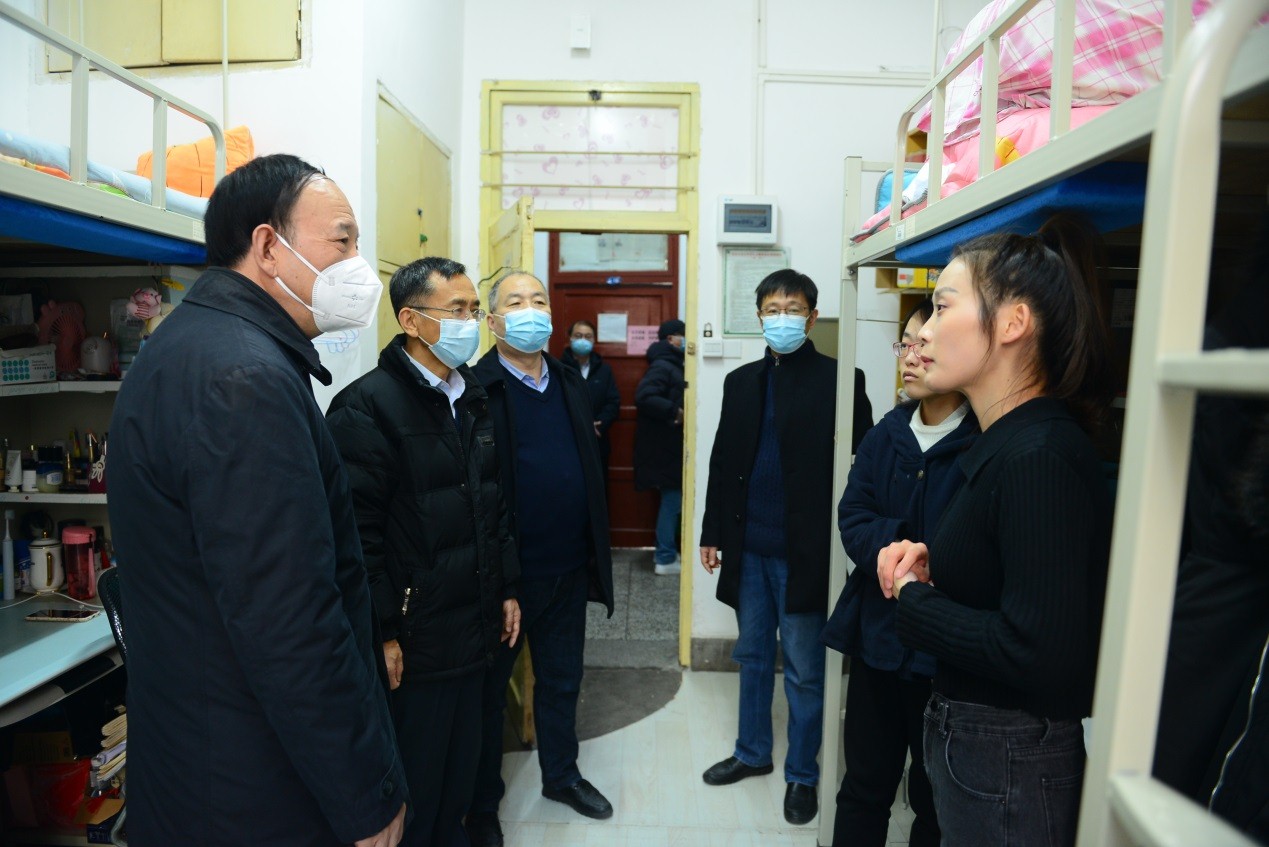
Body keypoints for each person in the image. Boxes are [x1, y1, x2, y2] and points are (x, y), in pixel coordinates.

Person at [108, 154, 408, 847]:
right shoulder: (243, 379)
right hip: (250, 784)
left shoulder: (195, 344)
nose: (358, 267)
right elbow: (290, 618)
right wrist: (365, 792)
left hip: (204, 762)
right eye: (342, 241)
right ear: (268, 247)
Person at [878, 214, 1114, 847]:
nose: (923, 333)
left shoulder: (1038, 454)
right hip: (989, 747)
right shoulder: (1006, 441)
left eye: (941, 307)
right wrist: (938, 566)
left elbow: (1037, 651)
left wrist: (914, 600)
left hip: (1011, 755)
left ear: (1013, 324)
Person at [326, 257, 522, 847]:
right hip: (417, 639)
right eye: (456, 310)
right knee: (418, 784)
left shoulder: (472, 394)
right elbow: (357, 539)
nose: (470, 323)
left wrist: (506, 588)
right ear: (410, 320)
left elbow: (493, 504)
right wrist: (383, 632)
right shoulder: (366, 408)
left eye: (473, 311)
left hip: (475, 625)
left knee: (462, 773)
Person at [699, 268, 873, 826]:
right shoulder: (741, 382)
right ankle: (752, 752)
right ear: (758, 317)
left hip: (806, 553)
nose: (782, 318)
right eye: (772, 310)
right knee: (751, 656)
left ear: (812, 317)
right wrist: (711, 531)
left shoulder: (841, 380)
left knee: (803, 668)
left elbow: (864, 467)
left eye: (792, 309)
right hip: (748, 548)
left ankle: (802, 774)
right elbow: (723, 461)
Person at [466, 271, 616, 847]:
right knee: (488, 695)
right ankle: (482, 804)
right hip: (505, 579)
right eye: (515, 302)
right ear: (493, 321)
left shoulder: (569, 380)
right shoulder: (475, 389)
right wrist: (502, 580)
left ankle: (562, 776)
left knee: (561, 679)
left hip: (568, 567)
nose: (530, 310)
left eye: (538, 300)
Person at [823, 297, 977, 847]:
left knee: (936, 800)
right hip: (880, 640)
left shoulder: (985, 438)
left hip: (944, 654)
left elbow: (974, 542)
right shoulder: (886, 432)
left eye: (923, 344)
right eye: (905, 344)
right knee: (864, 785)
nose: (910, 357)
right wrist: (894, 551)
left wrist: (924, 555)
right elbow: (853, 514)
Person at [634, 319, 686, 576]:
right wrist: (675, 411)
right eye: (682, 335)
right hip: (666, 448)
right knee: (672, 500)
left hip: (667, 447)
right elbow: (644, 396)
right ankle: (665, 557)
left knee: (673, 500)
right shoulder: (664, 365)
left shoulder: (672, 363)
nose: (686, 340)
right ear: (671, 339)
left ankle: (668, 552)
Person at [559, 318, 621, 481]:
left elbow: (613, 401)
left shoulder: (604, 370)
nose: (583, 340)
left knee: (598, 485)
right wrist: (579, 425)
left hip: (597, 441)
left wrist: (600, 423)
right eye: (578, 335)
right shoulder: (558, 368)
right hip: (567, 440)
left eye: (588, 336)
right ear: (570, 338)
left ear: (594, 340)